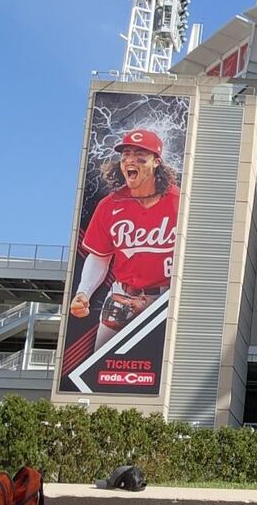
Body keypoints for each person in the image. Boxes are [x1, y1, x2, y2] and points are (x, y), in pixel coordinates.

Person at [69, 129, 180, 351]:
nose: (130, 160)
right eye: (125, 154)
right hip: (122, 297)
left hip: (167, 299)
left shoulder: (180, 201)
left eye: (140, 155)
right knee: (100, 367)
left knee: (162, 369)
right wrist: (84, 292)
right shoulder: (110, 204)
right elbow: (100, 256)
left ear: (156, 162)